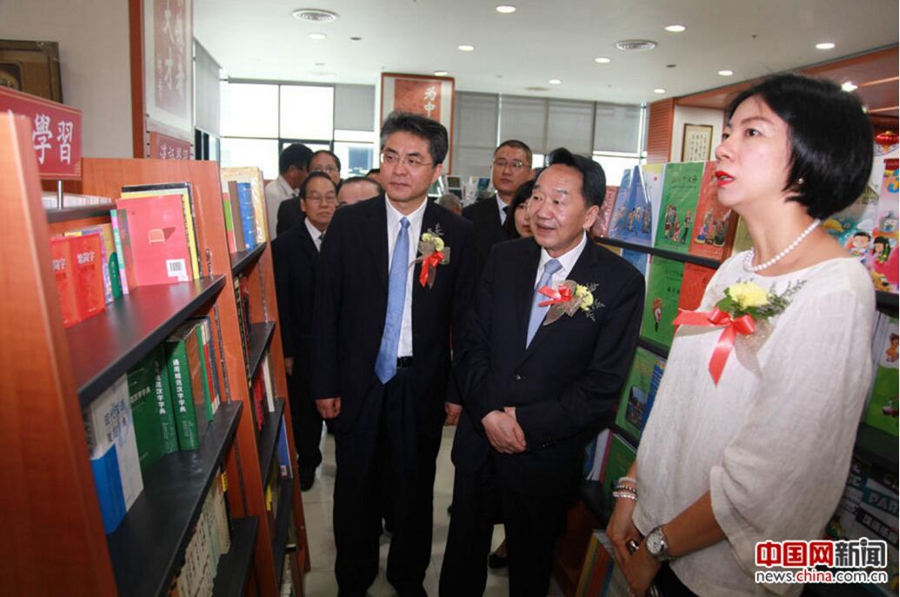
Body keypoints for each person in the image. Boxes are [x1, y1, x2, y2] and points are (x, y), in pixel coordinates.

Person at [607, 73, 876, 597]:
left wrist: (658, 548)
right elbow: (679, 401)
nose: (724, 147)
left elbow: (771, 478)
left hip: (716, 573)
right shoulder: (736, 269)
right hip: (659, 533)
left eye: (751, 132)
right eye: (728, 132)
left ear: (815, 152)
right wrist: (630, 491)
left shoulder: (834, 292)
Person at [440, 148, 645, 597]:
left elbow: (602, 385)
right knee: (461, 559)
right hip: (480, 439)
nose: (541, 211)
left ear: (591, 214)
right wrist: (490, 412)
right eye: (537, 198)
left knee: (530, 568)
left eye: (559, 200)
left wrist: (525, 423)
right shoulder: (504, 257)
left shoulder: (618, 282)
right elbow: (471, 344)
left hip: (544, 453)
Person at [312, 112, 476, 597]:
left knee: (414, 488)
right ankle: (353, 577)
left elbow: (465, 320)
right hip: (358, 381)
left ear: (436, 168)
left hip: (420, 381)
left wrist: (456, 389)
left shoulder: (456, 233)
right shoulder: (349, 224)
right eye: (390, 157)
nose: (399, 169)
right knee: (354, 487)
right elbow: (326, 310)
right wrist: (324, 383)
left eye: (413, 159)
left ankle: (408, 577)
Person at [272, 172, 338, 491]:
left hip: (341, 346)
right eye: (315, 197)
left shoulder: (348, 239)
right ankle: (308, 462)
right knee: (305, 413)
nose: (324, 203)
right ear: (302, 204)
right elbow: (280, 303)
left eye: (330, 197)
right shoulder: (283, 246)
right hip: (303, 346)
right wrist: (286, 351)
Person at [463, 140, 535, 277]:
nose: (506, 171)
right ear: (492, 168)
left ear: (531, 174)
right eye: (501, 163)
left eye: (516, 165)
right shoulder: (471, 215)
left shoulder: (539, 216)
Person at [268, 143, 313, 238]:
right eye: (308, 171)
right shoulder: (272, 194)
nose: (310, 176)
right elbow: (274, 235)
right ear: (293, 171)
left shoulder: (296, 191)